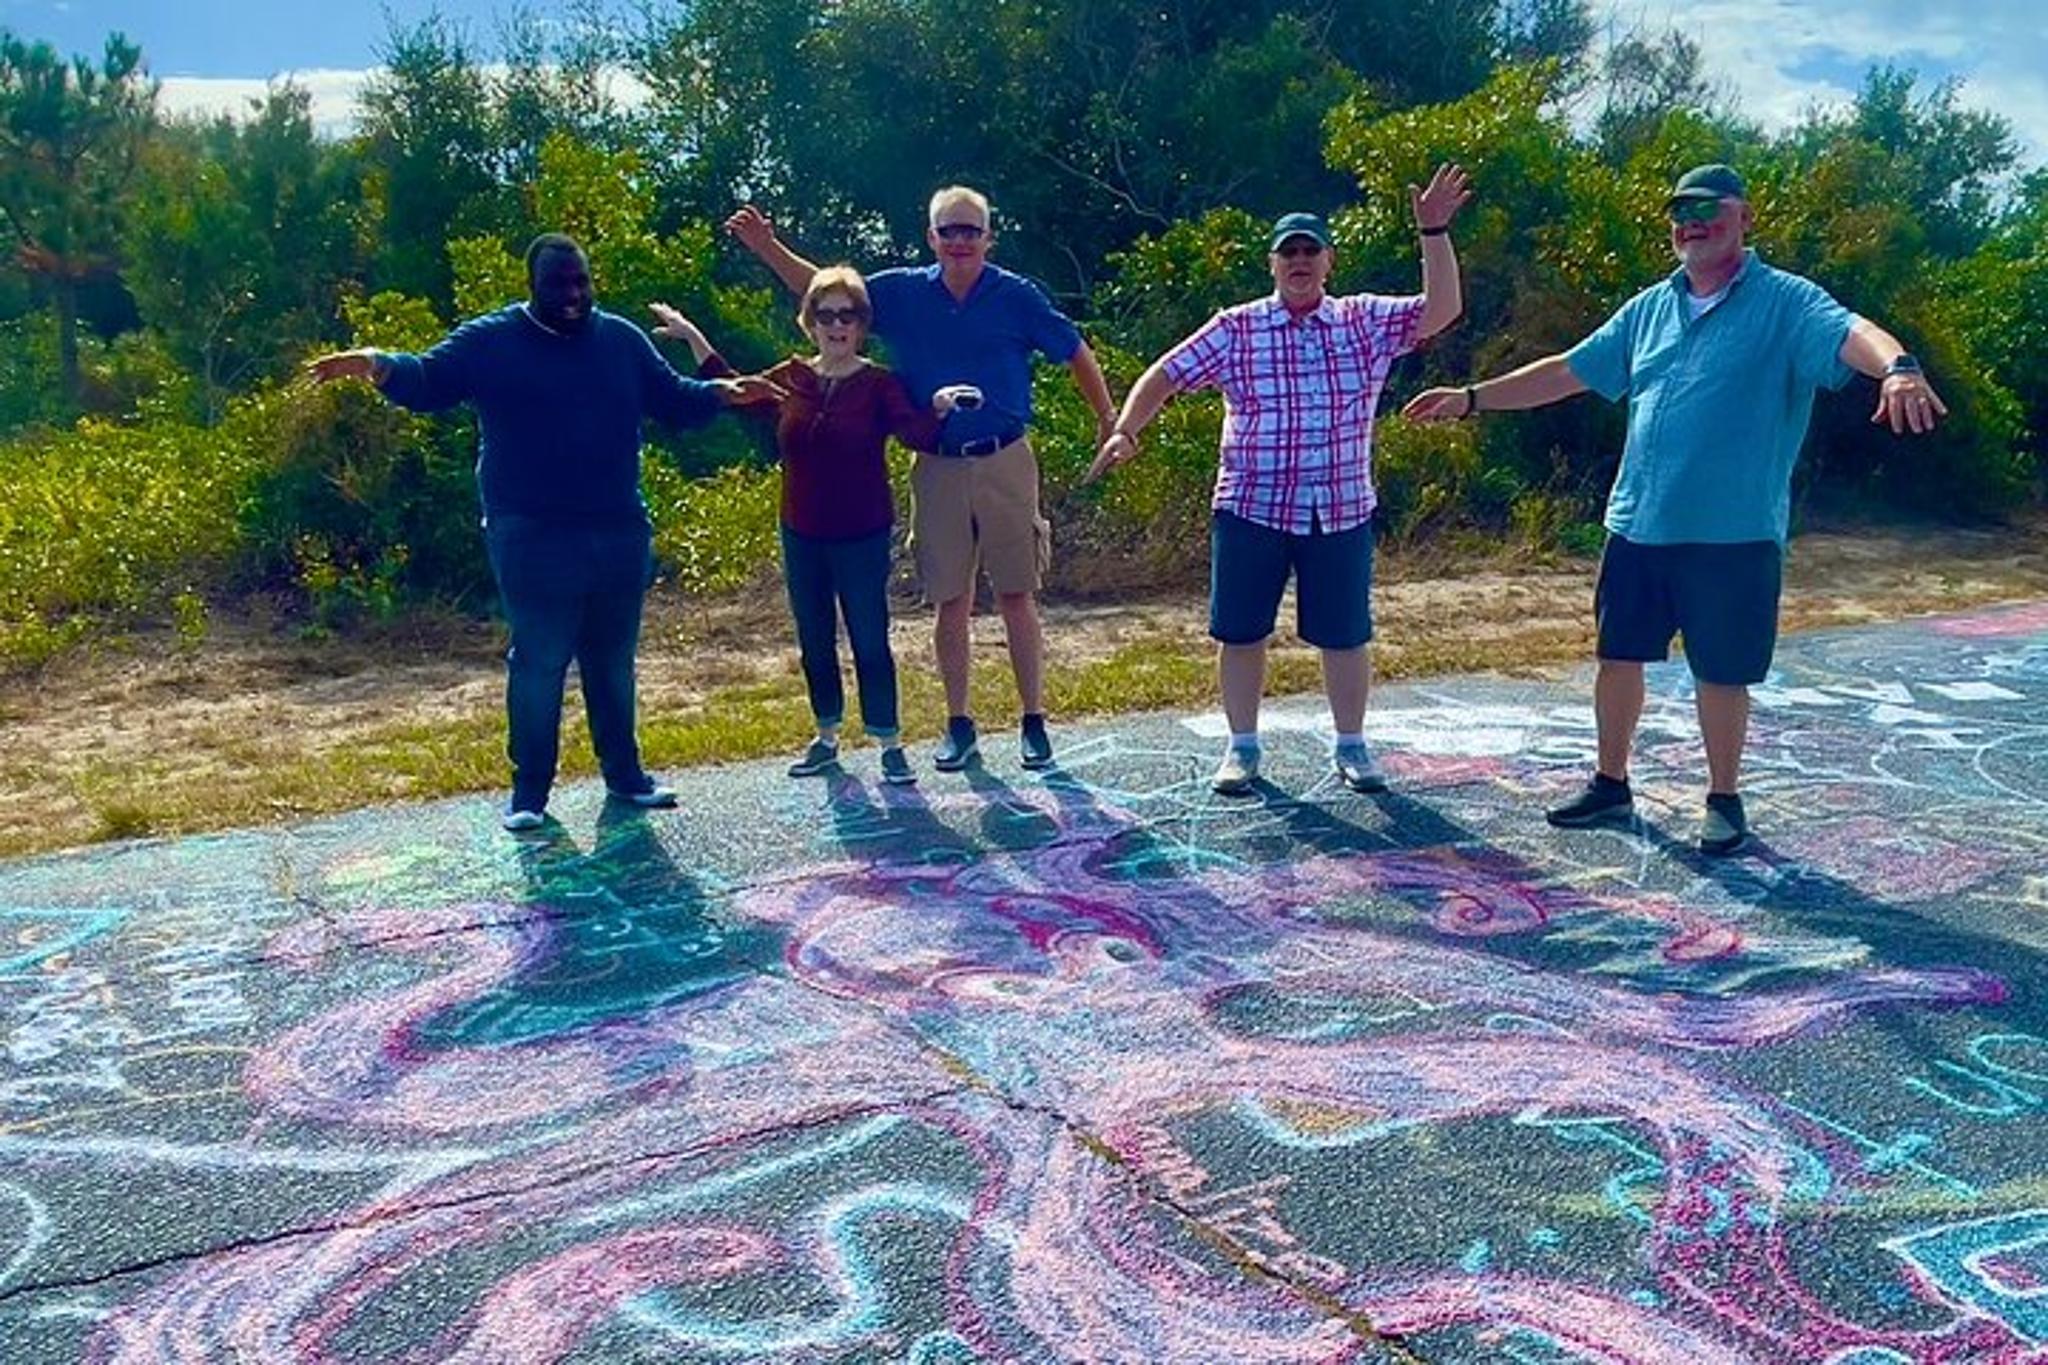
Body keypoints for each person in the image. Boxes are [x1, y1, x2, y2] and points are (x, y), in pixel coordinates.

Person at [1403, 164, 1948, 854]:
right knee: (1617, 655)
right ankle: (1609, 782)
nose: (1690, 222)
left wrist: (1899, 366)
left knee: (1721, 671)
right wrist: (1473, 397)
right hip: (1638, 522)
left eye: (1706, 208)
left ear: (1744, 216)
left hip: (1733, 534)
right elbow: (1570, 370)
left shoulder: (1785, 301)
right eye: (1678, 211)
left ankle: (1723, 798)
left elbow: (1852, 332)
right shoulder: (1650, 307)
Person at [306, 233, 782, 832]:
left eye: (582, 281)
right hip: (531, 534)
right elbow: (428, 379)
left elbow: (673, 399)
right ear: (533, 284)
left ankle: (626, 778)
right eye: (560, 283)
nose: (574, 294)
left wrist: (723, 392)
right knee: (540, 662)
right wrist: (376, 363)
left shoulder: (619, 340)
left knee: (612, 662)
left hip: (617, 529)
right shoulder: (494, 340)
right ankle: (530, 794)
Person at [1086, 166, 1472, 796]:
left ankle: (1352, 746)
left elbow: (1443, 310)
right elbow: (1165, 373)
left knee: (1345, 636)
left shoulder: (1364, 322)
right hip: (1251, 507)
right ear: (1272, 264)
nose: (1299, 261)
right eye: (1288, 252)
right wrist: (1128, 429)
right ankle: (1241, 748)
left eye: (1309, 251)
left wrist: (1432, 230)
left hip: (1341, 508)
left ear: (1328, 261)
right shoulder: (1237, 328)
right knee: (1241, 632)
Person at [725, 187, 1119, 773]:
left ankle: (1033, 722)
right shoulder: (902, 292)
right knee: (950, 600)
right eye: (948, 231)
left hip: (1007, 457)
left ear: (989, 237)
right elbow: (828, 293)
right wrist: (767, 247)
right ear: (931, 236)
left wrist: (1109, 419)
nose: (960, 241)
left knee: (1017, 595)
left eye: (970, 231)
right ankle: (959, 725)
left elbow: (1075, 351)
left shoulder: (1017, 297)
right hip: (936, 461)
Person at [648, 269, 976, 787]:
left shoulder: (878, 384)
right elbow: (737, 389)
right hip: (801, 532)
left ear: (861, 323)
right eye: (826, 315)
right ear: (810, 323)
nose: (837, 325)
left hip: (862, 533)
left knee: (870, 638)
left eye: (848, 315)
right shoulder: (794, 378)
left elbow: (916, 433)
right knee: (814, 639)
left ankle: (888, 742)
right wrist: (691, 335)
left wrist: (938, 408)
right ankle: (826, 737)